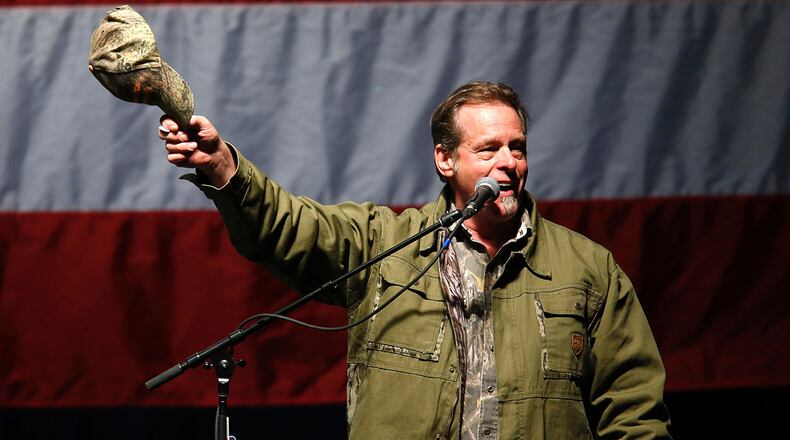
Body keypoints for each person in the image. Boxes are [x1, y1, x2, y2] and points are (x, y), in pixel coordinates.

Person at [158, 81, 672, 439]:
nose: (508, 163)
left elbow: (634, 410)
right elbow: (287, 225)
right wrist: (224, 167)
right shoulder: (384, 245)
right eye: (488, 149)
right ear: (444, 160)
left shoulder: (587, 269)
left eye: (517, 147)